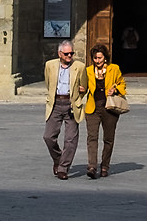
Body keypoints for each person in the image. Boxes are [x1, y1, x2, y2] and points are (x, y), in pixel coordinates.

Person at [42, 38, 86, 178]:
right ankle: (58, 159)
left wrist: (81, 90)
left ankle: (63, 168)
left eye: (71, 53)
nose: (69, 56)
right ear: (59, 53)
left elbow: (85, 86)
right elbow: (48, 83)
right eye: (67, 54)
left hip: (71, 104)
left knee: (70, 139)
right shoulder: (50, 65)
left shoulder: (79, 66)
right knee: (48, 137)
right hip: (55, 103)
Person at [83, 44, 125, 177]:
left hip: (109, 108)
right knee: (92, 137)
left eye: (100, 58)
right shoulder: (88, 71)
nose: (97, 61)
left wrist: (116, 89)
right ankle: (92, 166)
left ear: (105, 58)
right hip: (93, 108)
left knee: (108, 138)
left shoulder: (114, 69)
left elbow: (122, 83)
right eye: (95, 58)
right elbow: (84, 86)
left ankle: (105, 165)